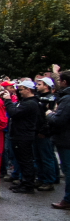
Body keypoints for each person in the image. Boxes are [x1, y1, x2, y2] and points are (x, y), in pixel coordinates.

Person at [2, 81, 39, 194]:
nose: (20, 91)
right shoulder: (25, 102)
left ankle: (28, 184)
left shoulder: (30, 103)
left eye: (22, 89)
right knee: (21, 160)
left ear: (28, 89)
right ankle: (24, 182)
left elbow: (13, 112)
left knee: (26, 161)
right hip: (19, 134)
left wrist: (8, 101)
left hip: (24, 135)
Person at [46, 71, 70, 209]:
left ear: (65, 82)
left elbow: (60, 120)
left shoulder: (67, 99)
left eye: (60, 80)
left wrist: (50, 114)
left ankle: (68, 199)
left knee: (68, 170)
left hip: (66, 139)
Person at [34, 77, 60, 191]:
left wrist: (44, 131)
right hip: (36, 130)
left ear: (46, 86)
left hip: (44, 132)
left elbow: (48, 118)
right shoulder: (38, 97)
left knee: (46, 157)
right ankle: (41, 178)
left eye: (40, 84)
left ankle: (49, 180)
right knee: (38, 157)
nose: (37, 86)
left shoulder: (51, 99)